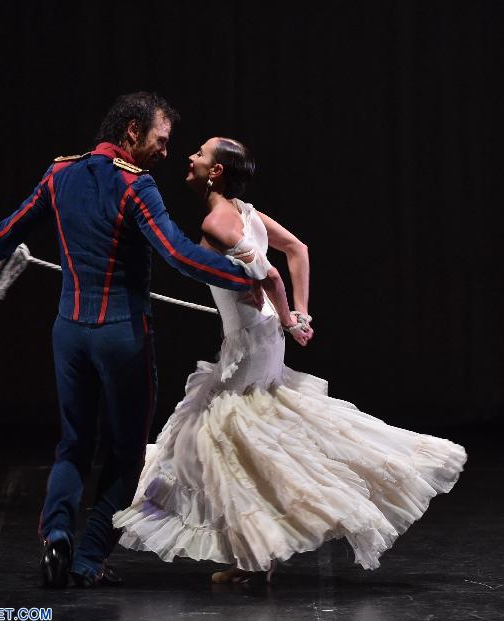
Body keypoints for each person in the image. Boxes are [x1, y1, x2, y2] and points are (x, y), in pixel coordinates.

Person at [112, 137, 467, 583]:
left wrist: (291, 319)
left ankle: (258, 551)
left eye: (200, 154)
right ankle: (255, 555)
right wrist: (298, 312)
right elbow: (298, 249)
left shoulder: (221, 219)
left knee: (219, 437)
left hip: (251, 341)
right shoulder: (244, 211)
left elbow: (272, 272)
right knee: (248, 436)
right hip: (260, 335)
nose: (190, 158)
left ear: (216, 171)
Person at [0, 92, 266, 588]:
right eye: (160, 139)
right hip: (121, 337)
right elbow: (177, 254)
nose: (166, 152)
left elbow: (9, 230)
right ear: (132, 132)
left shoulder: (59, 173)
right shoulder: (136, 186)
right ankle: (88, 559)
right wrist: (246, 275)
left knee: (73, 444)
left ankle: (57, 535)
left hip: (69, 334)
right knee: (127, 453)